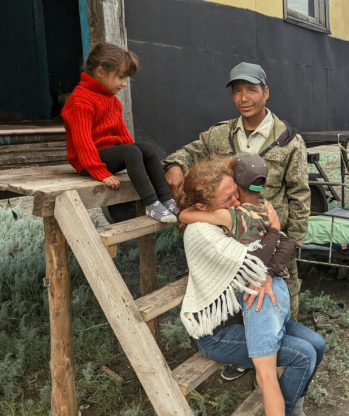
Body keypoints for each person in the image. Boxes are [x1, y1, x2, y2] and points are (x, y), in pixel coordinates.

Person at [162, 62, 310, 380]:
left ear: (265, 92)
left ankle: (278, 369)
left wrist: (291, 244)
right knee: (238, 302)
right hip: (230, 242)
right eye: (237, 91)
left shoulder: (288, 141)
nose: (244, 98)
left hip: (270, 242)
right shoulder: (219, 134)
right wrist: (175, 164)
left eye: (251, 90)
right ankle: (247, 357)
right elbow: (189, 152)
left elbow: (300, 196)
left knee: (275, 301)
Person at [177, 158, 324, 416]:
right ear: (202, 206)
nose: (237, 202)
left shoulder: (231, 217)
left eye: (236, 192)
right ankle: (289, 411)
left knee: (317, 344)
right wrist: (274, 229)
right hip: (218, 332)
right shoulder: (202, 231)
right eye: (227, 199)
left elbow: (284, 245)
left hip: (244, 314)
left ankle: (293, 406)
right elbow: (258, 257)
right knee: (302, 355)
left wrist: (268, 272)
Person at [62, 42, 177, 223]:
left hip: (109, 157)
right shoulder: (80, 100)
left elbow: (123, 135)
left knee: (145, 148)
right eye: (121, 77)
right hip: (87, 162)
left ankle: (168, 200)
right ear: (100, 72)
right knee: (130, 151)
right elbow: (82, 142)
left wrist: (138, 158)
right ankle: (151, 204)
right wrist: (100, 172)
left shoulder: (111, 99)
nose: (124, 83)